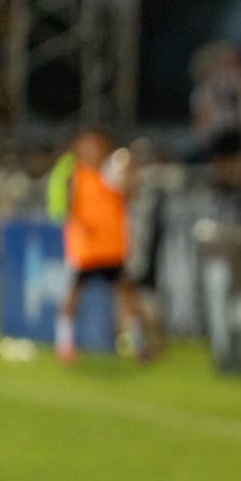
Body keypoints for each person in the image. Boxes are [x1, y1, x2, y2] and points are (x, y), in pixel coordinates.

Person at [55, 129, 154, 364]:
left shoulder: (112, 174)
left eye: (96, 145)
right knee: (71, 296)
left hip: (110, 248)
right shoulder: (76, 174)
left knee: (127, 296)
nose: (92, 150)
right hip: (85, 248)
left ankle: (140, 344)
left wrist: (131, 174)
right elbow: (64, 206)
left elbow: (130, 194)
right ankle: (65, 344)